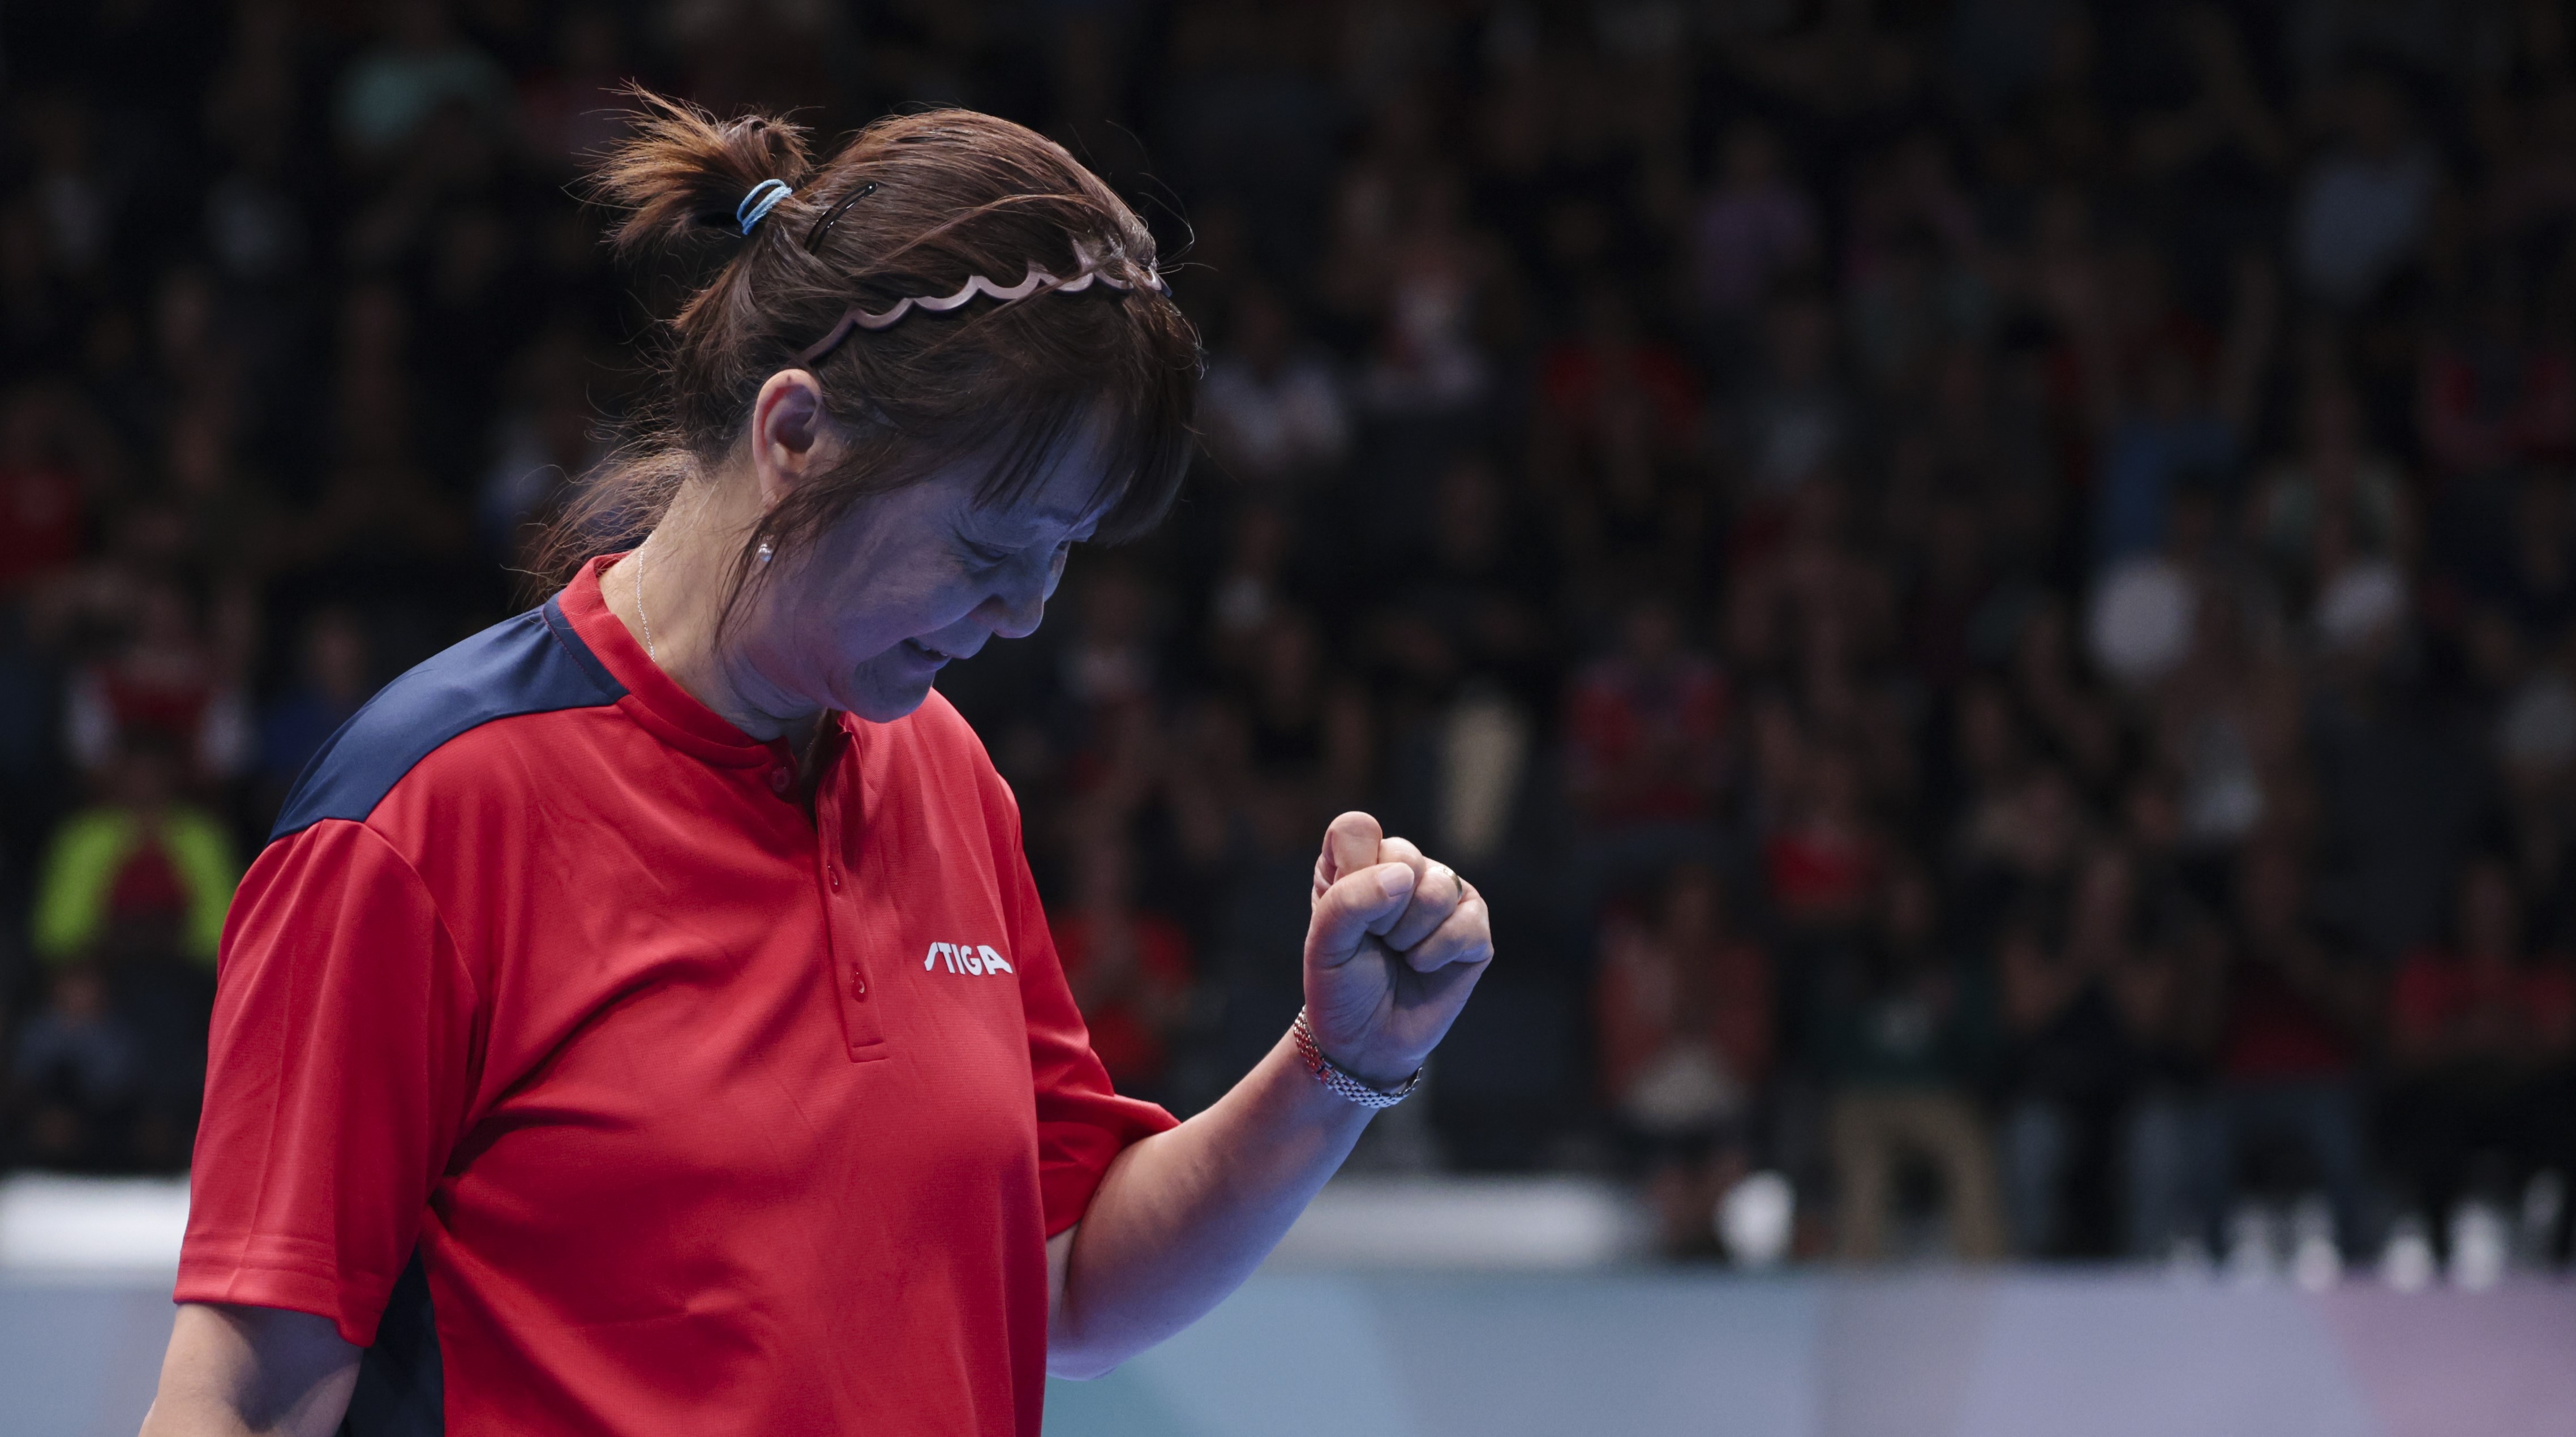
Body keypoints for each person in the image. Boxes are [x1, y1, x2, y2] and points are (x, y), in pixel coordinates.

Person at [141, 97, 1493, 1437]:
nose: (1025, 612)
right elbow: (241, 1409)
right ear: (794, 436)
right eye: (987, 546)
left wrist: (1339, 1069)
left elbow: (1063, 1276)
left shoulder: (947, 776)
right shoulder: (423, 819)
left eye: (1062, 553)